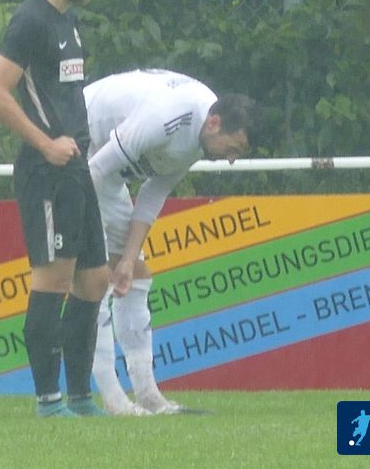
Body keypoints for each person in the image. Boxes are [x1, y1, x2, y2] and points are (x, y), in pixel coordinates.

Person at [83, 69, 255, 415]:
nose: (231, 159)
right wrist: (87, 239)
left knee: (136, 274)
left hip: (106, 169)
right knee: (96, 277)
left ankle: (149, 396)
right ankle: (114, 400)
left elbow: (152, 194)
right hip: (79, 149)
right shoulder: (166, 117)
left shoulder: (202, 134)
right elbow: (94, 171)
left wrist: (128, 259)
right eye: (233, 148)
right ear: (215, 124)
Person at [0, 0, 109, 418]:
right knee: (53, 280)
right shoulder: (30, 19)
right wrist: (45, 143)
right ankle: (48, 401)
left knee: (94, 280)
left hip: (77, 167)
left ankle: (80, 396)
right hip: (46, 171)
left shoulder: (67, 20)